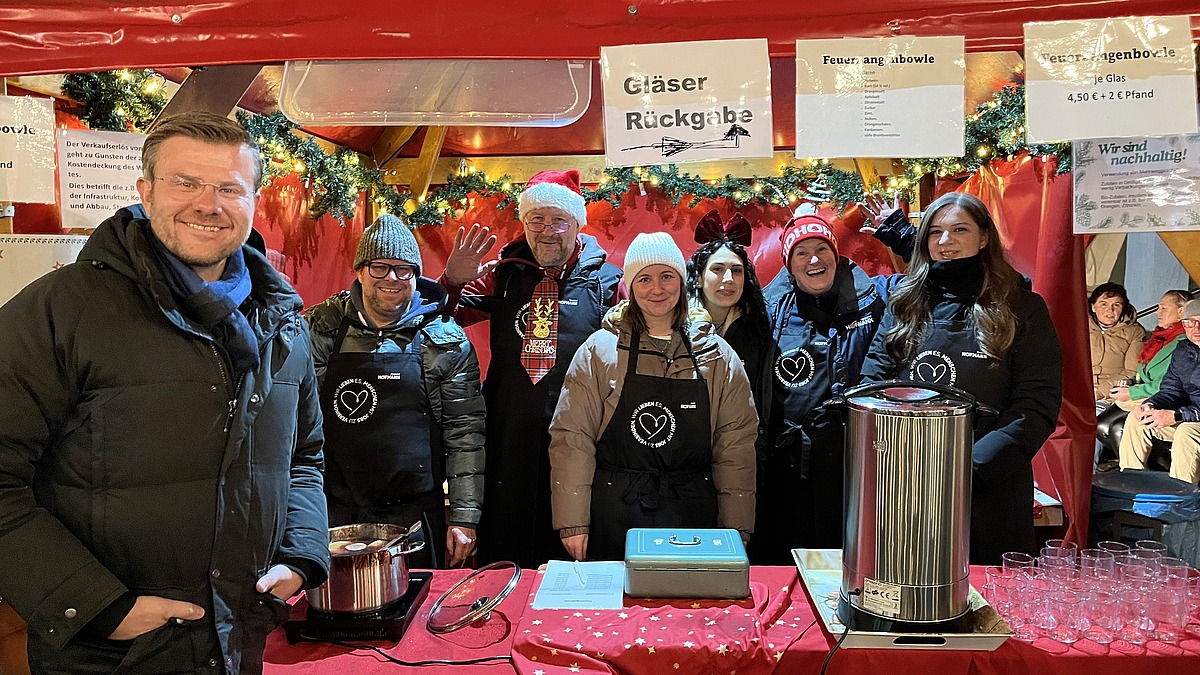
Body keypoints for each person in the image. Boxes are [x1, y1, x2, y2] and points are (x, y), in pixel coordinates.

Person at [0, 111, 329, 673]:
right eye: (186, 183)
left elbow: (303, 459)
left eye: (230, 187)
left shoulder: (283, 321)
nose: (209, 203)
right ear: (145, 192)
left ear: (252, 202)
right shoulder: (58, 311)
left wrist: (301, 556)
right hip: (109, 652)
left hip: (239, 638)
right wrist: (98, 607)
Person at [860, 192, 1063, 564]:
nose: (945, 242)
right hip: (906, 482)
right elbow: (874, 382)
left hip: (987, 487)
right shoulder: (905, 302)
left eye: (959, 230)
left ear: (984, 237)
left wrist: (968, 468)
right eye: (935, 232)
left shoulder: (1021, 307)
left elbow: (1036, 404)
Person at [440, 170, 624, 568]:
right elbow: (441, 323)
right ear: (524, 224)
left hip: (580, 439)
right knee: (506, 552)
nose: (547, 231)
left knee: (570, 554)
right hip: (509, 436)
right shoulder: (501, 274)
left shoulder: (608, 282)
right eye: (536, 219)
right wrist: (451, 283)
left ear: (577, 224)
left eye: (559, 220)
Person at [549, 232, 758, 561]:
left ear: (682, 281)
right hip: (614, 513)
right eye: (644, 279)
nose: (657, 289)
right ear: (630, 288)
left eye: (666, 276)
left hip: (694, 517)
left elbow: (735, 447)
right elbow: (572, 439)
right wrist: (573, 522)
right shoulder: (599, 350)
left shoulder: (718, 355)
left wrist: (737, 525)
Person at [307, 214, 485, 569]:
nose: (392, 278)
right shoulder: (320, 330)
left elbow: (465, 435)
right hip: (332, 511)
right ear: (360, 270)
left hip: (415, 517)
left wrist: (464, 517)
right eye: (380, 267)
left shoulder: (445, 341)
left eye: (404, 269)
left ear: (416, 277)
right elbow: (295, 424)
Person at [752, 205, 906, 564]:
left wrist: (899, 233)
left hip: (859, 461)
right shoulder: (769, 309)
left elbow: (930, 280)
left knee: (852, 560)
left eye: (821, 249)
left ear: (836, 254)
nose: (813, 260)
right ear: (789, 264)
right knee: (788, 562)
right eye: (801, 253)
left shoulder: (876, 298)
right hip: (787, 467)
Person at [686, 210, 773, 421]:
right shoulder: (675, 325)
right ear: (698, 278)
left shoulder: (760, 325)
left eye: (736, 270)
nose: (728, 279)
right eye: (717, 269)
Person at [1097, 290, 1189, 466]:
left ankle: (1146, 475)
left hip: (1162, 399)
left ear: (1181, 311)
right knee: (1102, 425)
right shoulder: (1159, 339)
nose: (1157, 312)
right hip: (1143, 394)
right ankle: (1131, 473)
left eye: (1163, 307)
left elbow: (1170, 384)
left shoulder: (1184, 342)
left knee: (1116, 428)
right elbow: (1143, 371)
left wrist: (1131, 392)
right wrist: (1130, 382)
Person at [1119, 299, 1200, 484]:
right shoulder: (1183, 350)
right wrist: (1152, 404)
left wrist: (1178, 415)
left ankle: (1179, 500)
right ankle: (1132, 487)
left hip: (1191, 422)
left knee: (1186, 433)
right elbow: (1171, 389)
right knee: (1138, 418)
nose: (1196, 327)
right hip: (1190, 416)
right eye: (1190, 322)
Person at [1089, 282, 1144, 405]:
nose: (1110, 310)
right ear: (1093, 306)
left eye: (1117, 305)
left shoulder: (1134, 332)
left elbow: (1131, 371)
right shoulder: (1079, 326)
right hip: (1075, 388)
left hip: (1109, 395)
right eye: (1103, 304)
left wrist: (1101, 391)